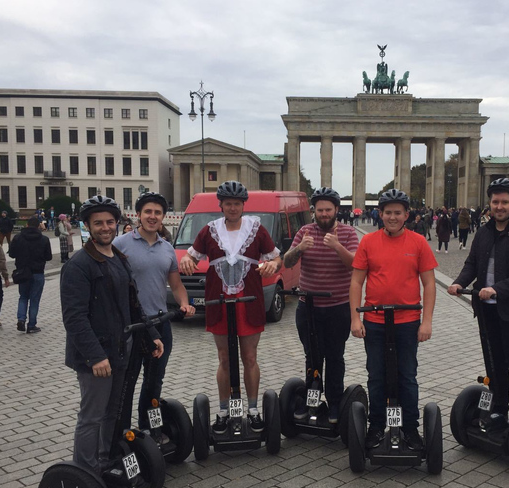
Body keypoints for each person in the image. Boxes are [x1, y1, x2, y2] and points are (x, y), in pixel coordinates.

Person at [61, 196, 164, 474]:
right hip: (96, 358)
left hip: (121, 352)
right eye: (98, 223)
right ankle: (84, 473)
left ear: (117, 224)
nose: (105, 227)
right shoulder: (79, 265)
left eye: (109, 222)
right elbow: (74, 318)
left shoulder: (119, 258)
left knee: (112, 413)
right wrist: (95, 356)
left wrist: (151, 333)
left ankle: (104, 462)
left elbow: (133, 304)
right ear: (87, 226)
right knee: (91, 417)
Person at [178, 181, 282, 433]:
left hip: (249, 302)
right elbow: (191, 255)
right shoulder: (209, 230)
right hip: (219, 302)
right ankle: (224, 410)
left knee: (249, 357)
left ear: (243, 205)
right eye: (228, 204)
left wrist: (272, 265)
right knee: (224, 359)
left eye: (237, 204)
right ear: (221, 205)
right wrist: (186, 262)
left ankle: (253, 409)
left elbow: (276, 259)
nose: (233, 208)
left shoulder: (256, 230)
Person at [448, 178, 509, 430]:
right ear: (489, 203)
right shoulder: (485, 231)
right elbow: (472, 263)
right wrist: (459, 282)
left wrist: (496, 289)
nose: (499, 206)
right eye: (495, 202)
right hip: (485, 308)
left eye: (504, 202)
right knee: (494, 361)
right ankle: (499, 409)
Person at [350, 188, 437, 451]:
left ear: (406, 215)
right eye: (388, 212)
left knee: (407, 376)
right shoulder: (368, 242)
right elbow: (356, 281)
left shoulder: (418, 242)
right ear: (380, 214)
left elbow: (429, 284)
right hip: (375, 321)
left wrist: (427, 321)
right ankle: (376, 426)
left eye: (398, 213)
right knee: (376, 375)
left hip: (407, 320)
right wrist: (356, 319)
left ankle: (410, 428)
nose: (392, 217)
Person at [113, 192, 195, 430]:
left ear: (163, 217)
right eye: (147, 211)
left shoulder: (167, 248)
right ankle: (122, 433)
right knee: (127, 382)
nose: (152, 216)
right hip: (132, 326)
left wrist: (184, 303)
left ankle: (150, 429)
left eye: (157, 212)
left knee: (153, 382)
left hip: (160, 323)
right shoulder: (120, 245)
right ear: (138, 215)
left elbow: (176, 285)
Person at [283, 187, 359, 423]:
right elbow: (287, 261)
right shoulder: (305, 231)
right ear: (313, 211)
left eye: (328, 209)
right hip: (309, 307)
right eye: (319, 210)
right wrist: (299, 248)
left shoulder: (348, 233)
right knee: (313, 356)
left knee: (335, 356)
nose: (324, 214)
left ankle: (336, 403)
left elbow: (355, 265)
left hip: (338, 306)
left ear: (337, 210)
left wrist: (337, 246)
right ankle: (312, 399)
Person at [9, 216, 52, 333]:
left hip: (23, 272)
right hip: (38, 272)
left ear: (27, 225)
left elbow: (12, 254)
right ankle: (31, 324)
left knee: (23, 297)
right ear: (39, 226)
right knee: (35, 299)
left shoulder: (18, 238)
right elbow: (49, 257)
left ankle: (21, 319)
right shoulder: (44, 239)